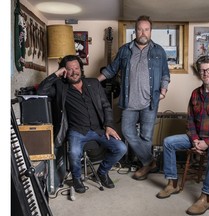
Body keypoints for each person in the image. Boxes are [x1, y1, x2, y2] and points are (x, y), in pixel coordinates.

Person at [156, 55, 209, 215]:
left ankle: (206, 197)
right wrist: (194, 140)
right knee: (168, 142)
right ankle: (172, 183)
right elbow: (190, 120)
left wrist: (206, 142)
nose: (205, 73)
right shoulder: (195, 94)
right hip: (198, 137)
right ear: (199, 73)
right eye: (202, 70)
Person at [37, 55, 127, 193]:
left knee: (121, 148)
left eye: (76, 68)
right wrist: (56, 74)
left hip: (99, 130)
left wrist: (109, 125)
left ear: (81, 69)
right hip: (77, 131)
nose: (74, 72)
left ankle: (102, 172)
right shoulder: (60, 87)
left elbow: (106, 106)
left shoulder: (94, 83)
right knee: (74, 152)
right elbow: (41, 91)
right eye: (69, 69)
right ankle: (77, 178)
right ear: (64, 71)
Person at [97, 15, 170, 181]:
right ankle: (150, 162)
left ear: (150, 31)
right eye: (139, 29)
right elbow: (111, 70)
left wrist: (163, 91)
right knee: (127, 132)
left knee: (146, 136)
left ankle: (144, 166)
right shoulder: (125, 50)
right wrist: (94, 82)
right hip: (129, 102)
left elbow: (165, 73)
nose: (143, 32)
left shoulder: (159, 51)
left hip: (150, 101)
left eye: (146, 29)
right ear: (135, 31)